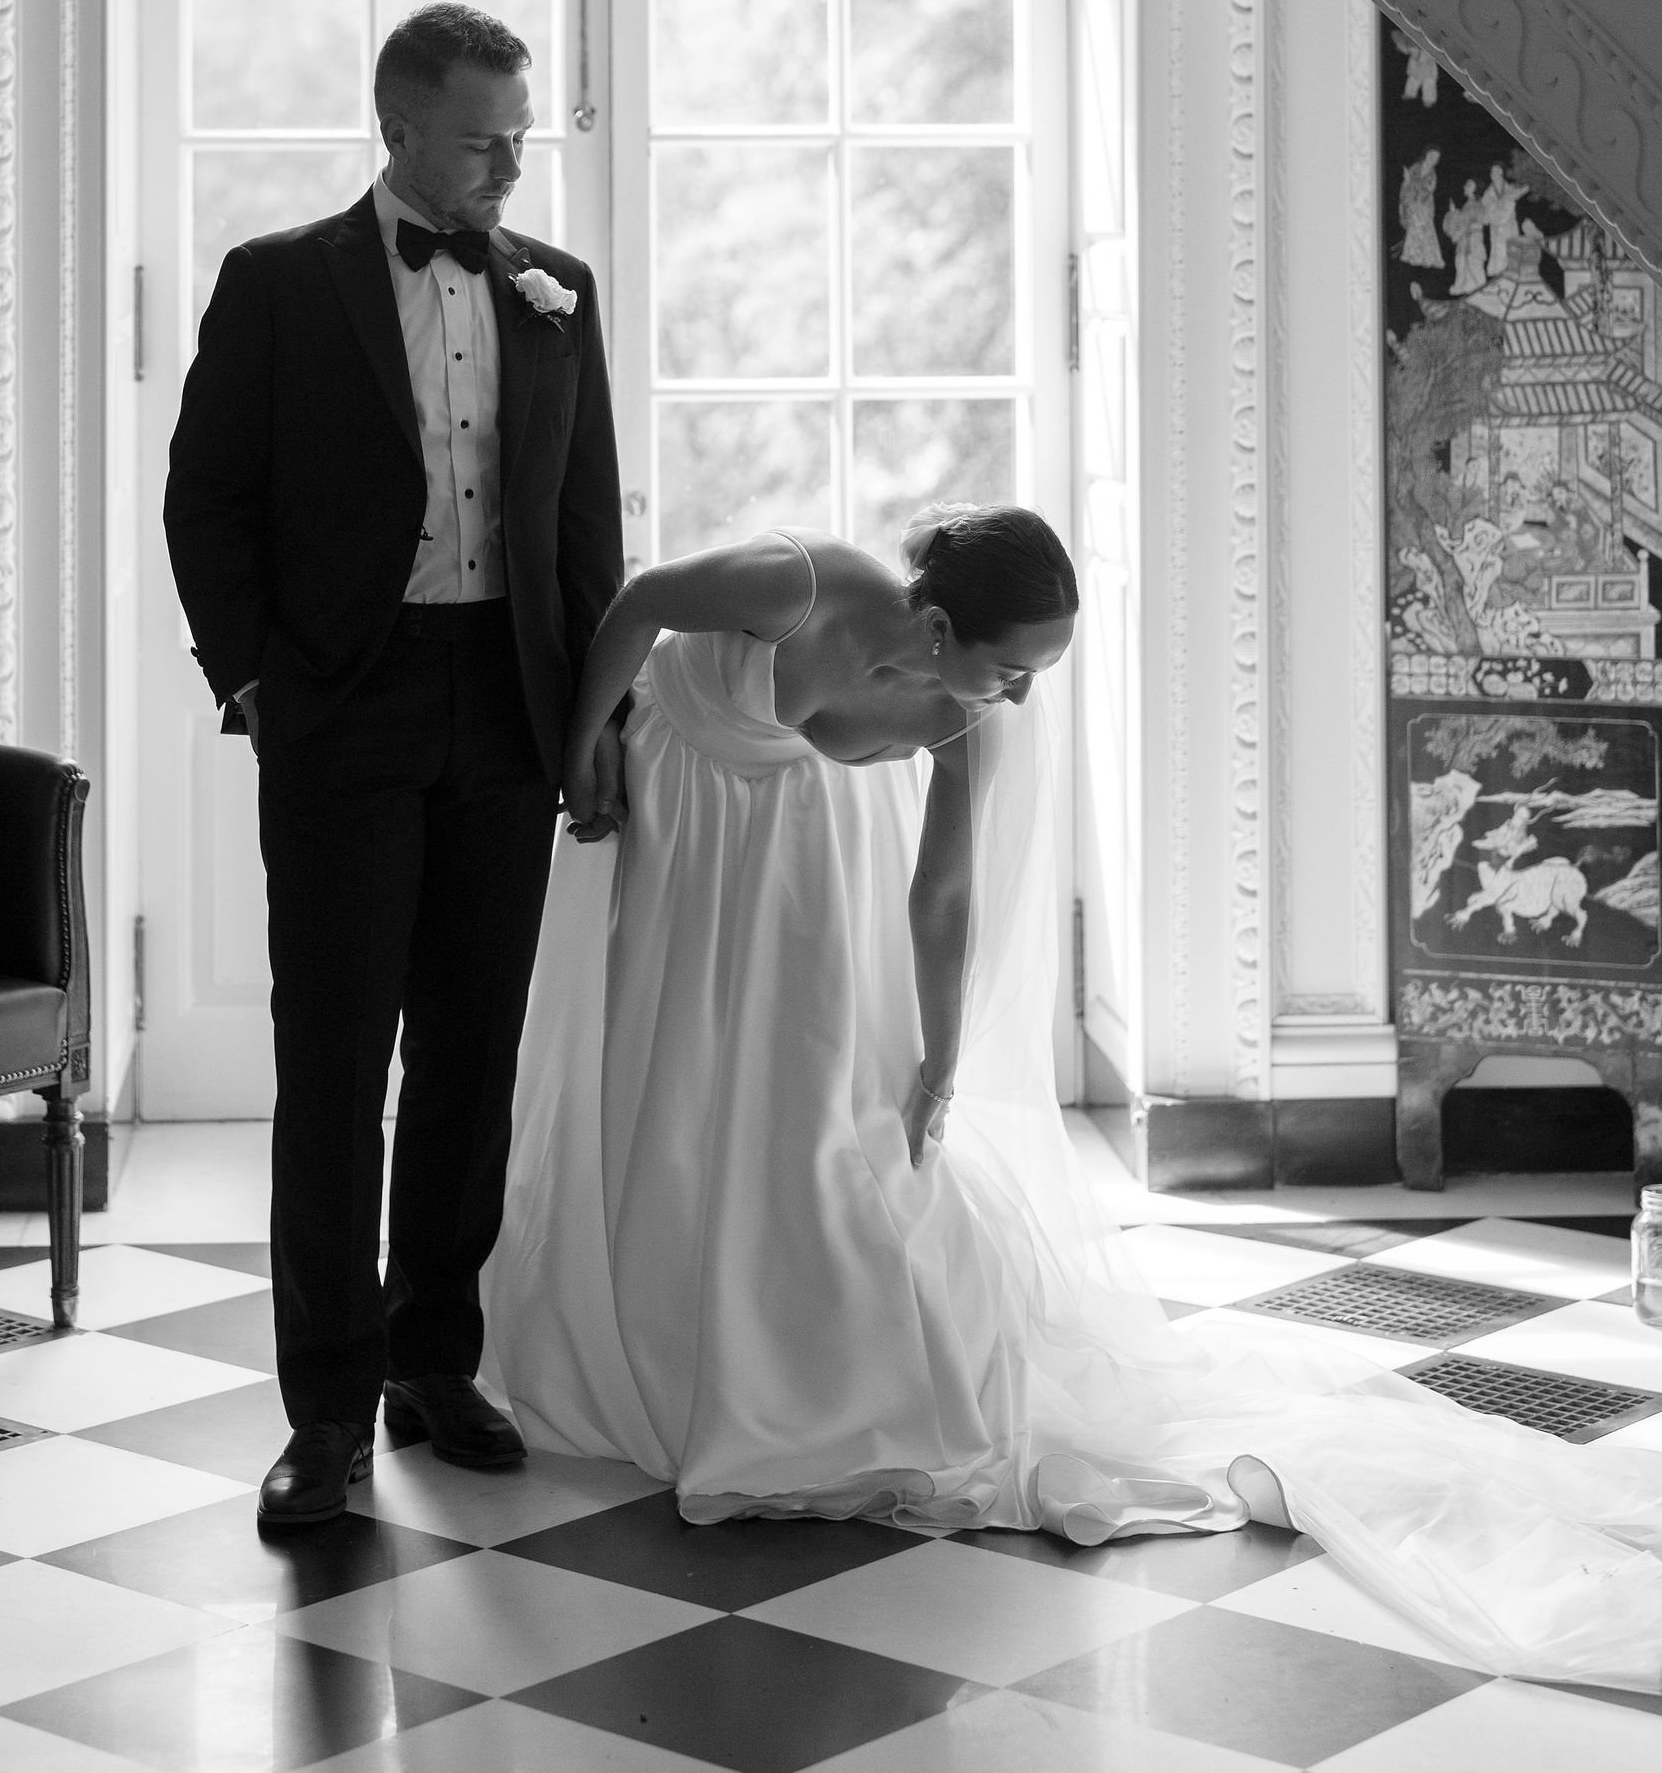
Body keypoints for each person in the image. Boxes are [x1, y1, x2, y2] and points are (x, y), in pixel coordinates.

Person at [490, 504, 1662, 1689]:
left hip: (799, 885)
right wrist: (582, 747)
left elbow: (938, 895)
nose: (1019, 695)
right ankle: (628, 1325)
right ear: (937, 622)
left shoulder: (958, 713)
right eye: (1009, 665)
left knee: (791, 1134)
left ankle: (784, 1376)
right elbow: (637, 605)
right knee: (659, 1102)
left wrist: (936, 1058)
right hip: (672, 826)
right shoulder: (801, 584)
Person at [164, 1, 624, 1532]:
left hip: (504, 707)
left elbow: (585, 531)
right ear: (402, 125)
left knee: (471, 1063)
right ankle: (326, 1414)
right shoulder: (280, 284)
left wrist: (591, 725)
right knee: (336, 1070)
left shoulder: (559, 294)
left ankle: (439, 1356)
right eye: (487, 132)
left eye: (520, 130)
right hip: (342, 715)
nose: (511, 158)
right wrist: (256, 685)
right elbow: (206, 501)